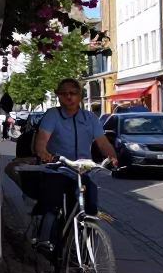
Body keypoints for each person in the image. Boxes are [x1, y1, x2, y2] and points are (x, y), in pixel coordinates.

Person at [32, 78, 118, 246]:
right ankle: (45, 240)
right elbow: (42, 139)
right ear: (58, 95)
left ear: (80, 96)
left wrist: (112, 157)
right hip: (59, 168)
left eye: (73, 93)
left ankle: (85, 251)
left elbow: (102, 142)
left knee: (90, 209)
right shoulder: (52, 115)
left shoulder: (90, 117)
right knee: (53, 204)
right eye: (64, 93)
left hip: (84, 171)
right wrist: (44, 153)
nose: (69, 97)